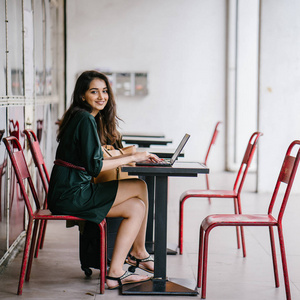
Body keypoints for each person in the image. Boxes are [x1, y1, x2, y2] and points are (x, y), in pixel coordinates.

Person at [48, 70, 161, 289]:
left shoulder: (80, 116)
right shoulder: (85, 119)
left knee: (136, 206)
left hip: (67, 190)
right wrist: (132, 156)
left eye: (104, 91)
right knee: (139, 185)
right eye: (94, 92)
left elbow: (92, 162)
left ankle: (115, 273)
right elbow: (95, 167)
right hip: (71, 193)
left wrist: (129, 157)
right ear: (82, 95)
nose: (101, 96)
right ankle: (138, 253)